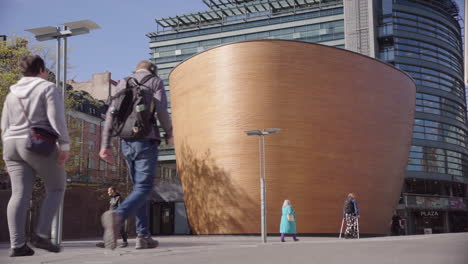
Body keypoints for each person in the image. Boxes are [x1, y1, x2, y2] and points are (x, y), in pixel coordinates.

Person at [99, 60, 173, 250]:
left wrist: (105, 144)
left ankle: (143, 236)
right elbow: (162, 109)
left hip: (126, 142)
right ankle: (118, 216)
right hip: (146, 140)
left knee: (139, 190)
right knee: (144, 188)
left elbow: (111, 114)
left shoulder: (124, 82)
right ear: (152, 70)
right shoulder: (155, 82)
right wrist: (169, 133)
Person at [2, 55, 70, 257]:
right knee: (56, 187)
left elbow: (4, 125)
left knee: (19, 194)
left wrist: (7, 152)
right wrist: (64, 144)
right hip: (36, 143)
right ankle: (41, 234)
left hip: (10, 145)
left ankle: (17, 245)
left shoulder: (11, 94)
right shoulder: (47, 88)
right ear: (41, 69)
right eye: (46, 69)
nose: (47, 73)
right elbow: (55, 118)